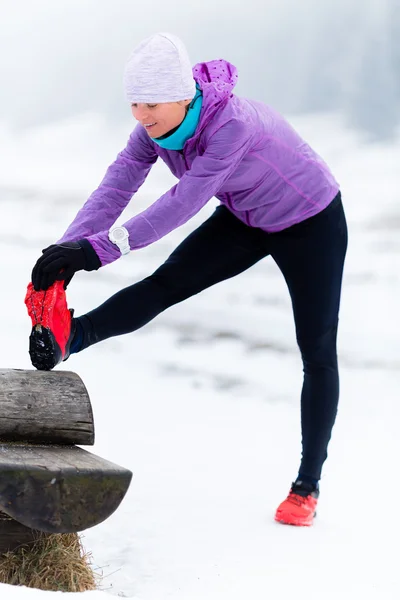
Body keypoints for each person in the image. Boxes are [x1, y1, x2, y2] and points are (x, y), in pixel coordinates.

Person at [26, 32, 348, 527]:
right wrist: (66, 252)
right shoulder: (152, 131)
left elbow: (183, 203)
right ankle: (72, 335)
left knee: (317, 348)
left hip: (312, 221)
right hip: (246, 216)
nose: (141, 115)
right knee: (166, 284)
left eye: (151, 103)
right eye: (134, 102)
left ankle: (307, 486)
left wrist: (100, 250)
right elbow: (115, 187)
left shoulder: (232, 125)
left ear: (184, 96)